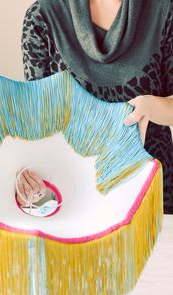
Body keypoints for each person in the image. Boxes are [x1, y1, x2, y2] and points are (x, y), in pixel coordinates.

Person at [17, 0, 173, 213]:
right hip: (74, 195)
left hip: (151, 192)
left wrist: (153, 106)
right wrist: (23, 175)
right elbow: (36, 121)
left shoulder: (164, 11)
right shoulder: (42, 18)